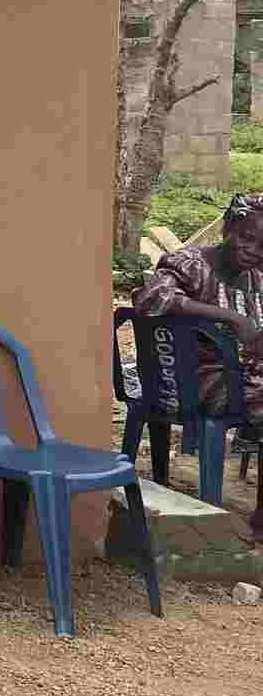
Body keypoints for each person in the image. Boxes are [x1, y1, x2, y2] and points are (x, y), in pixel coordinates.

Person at [132, 192, 263, 542]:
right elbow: (151, 298)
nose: (253, 250)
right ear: (228, 227)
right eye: (247, 237)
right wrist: (229, 318)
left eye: (262, 246)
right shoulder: (190, 263)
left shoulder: (255, 278)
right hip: (191, 378)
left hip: (243, 377)